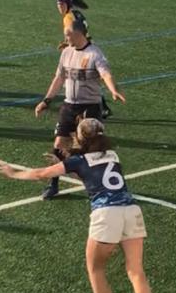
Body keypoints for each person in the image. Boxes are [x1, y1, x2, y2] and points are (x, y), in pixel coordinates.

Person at [0, 118, 158, 293]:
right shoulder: (113, 156)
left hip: (106, 214)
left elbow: (41, 174)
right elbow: (93, 172)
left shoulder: (77, 161)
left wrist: (13, 173)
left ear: (80, 137)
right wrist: (65, 165)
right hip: (131, 211)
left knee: (96, 269)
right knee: (135, 270)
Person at [34, 15, 127, 200]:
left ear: (77, 33)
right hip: (69, 105)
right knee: (59, 144)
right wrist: (46, 100)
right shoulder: (66, 52)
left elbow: (105, 74)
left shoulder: (94, 54)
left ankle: (105, 182)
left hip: (90, 107)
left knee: (92, 150)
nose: (65, 38)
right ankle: (53, 185)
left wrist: (113, 90)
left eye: (67, 34)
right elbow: (59, 78)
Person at [57, 0, 110, 118]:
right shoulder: (77, 13)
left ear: (68, 4)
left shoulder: (68, 17)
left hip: (82, 51)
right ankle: (103, 108)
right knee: (89, 79)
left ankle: (85, 107)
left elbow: (73, 33)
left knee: (74, 79)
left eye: (62, 4)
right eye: (58, 4)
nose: (59, 7)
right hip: (88, 46)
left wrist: (68, 45)